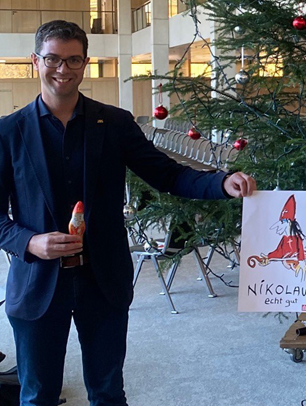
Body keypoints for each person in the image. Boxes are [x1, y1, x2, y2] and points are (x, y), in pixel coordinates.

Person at [0, 20, 256, 406]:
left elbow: (167, 174)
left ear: (85, 62)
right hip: (37, 285)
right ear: (35, 60)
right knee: (37, 396)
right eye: (52, 58)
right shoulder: (9, 132)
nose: (62, 69)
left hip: (102, 280)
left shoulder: (114, 123)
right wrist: (30, 242)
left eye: (72, 60)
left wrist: (220, 183)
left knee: (107, 393)